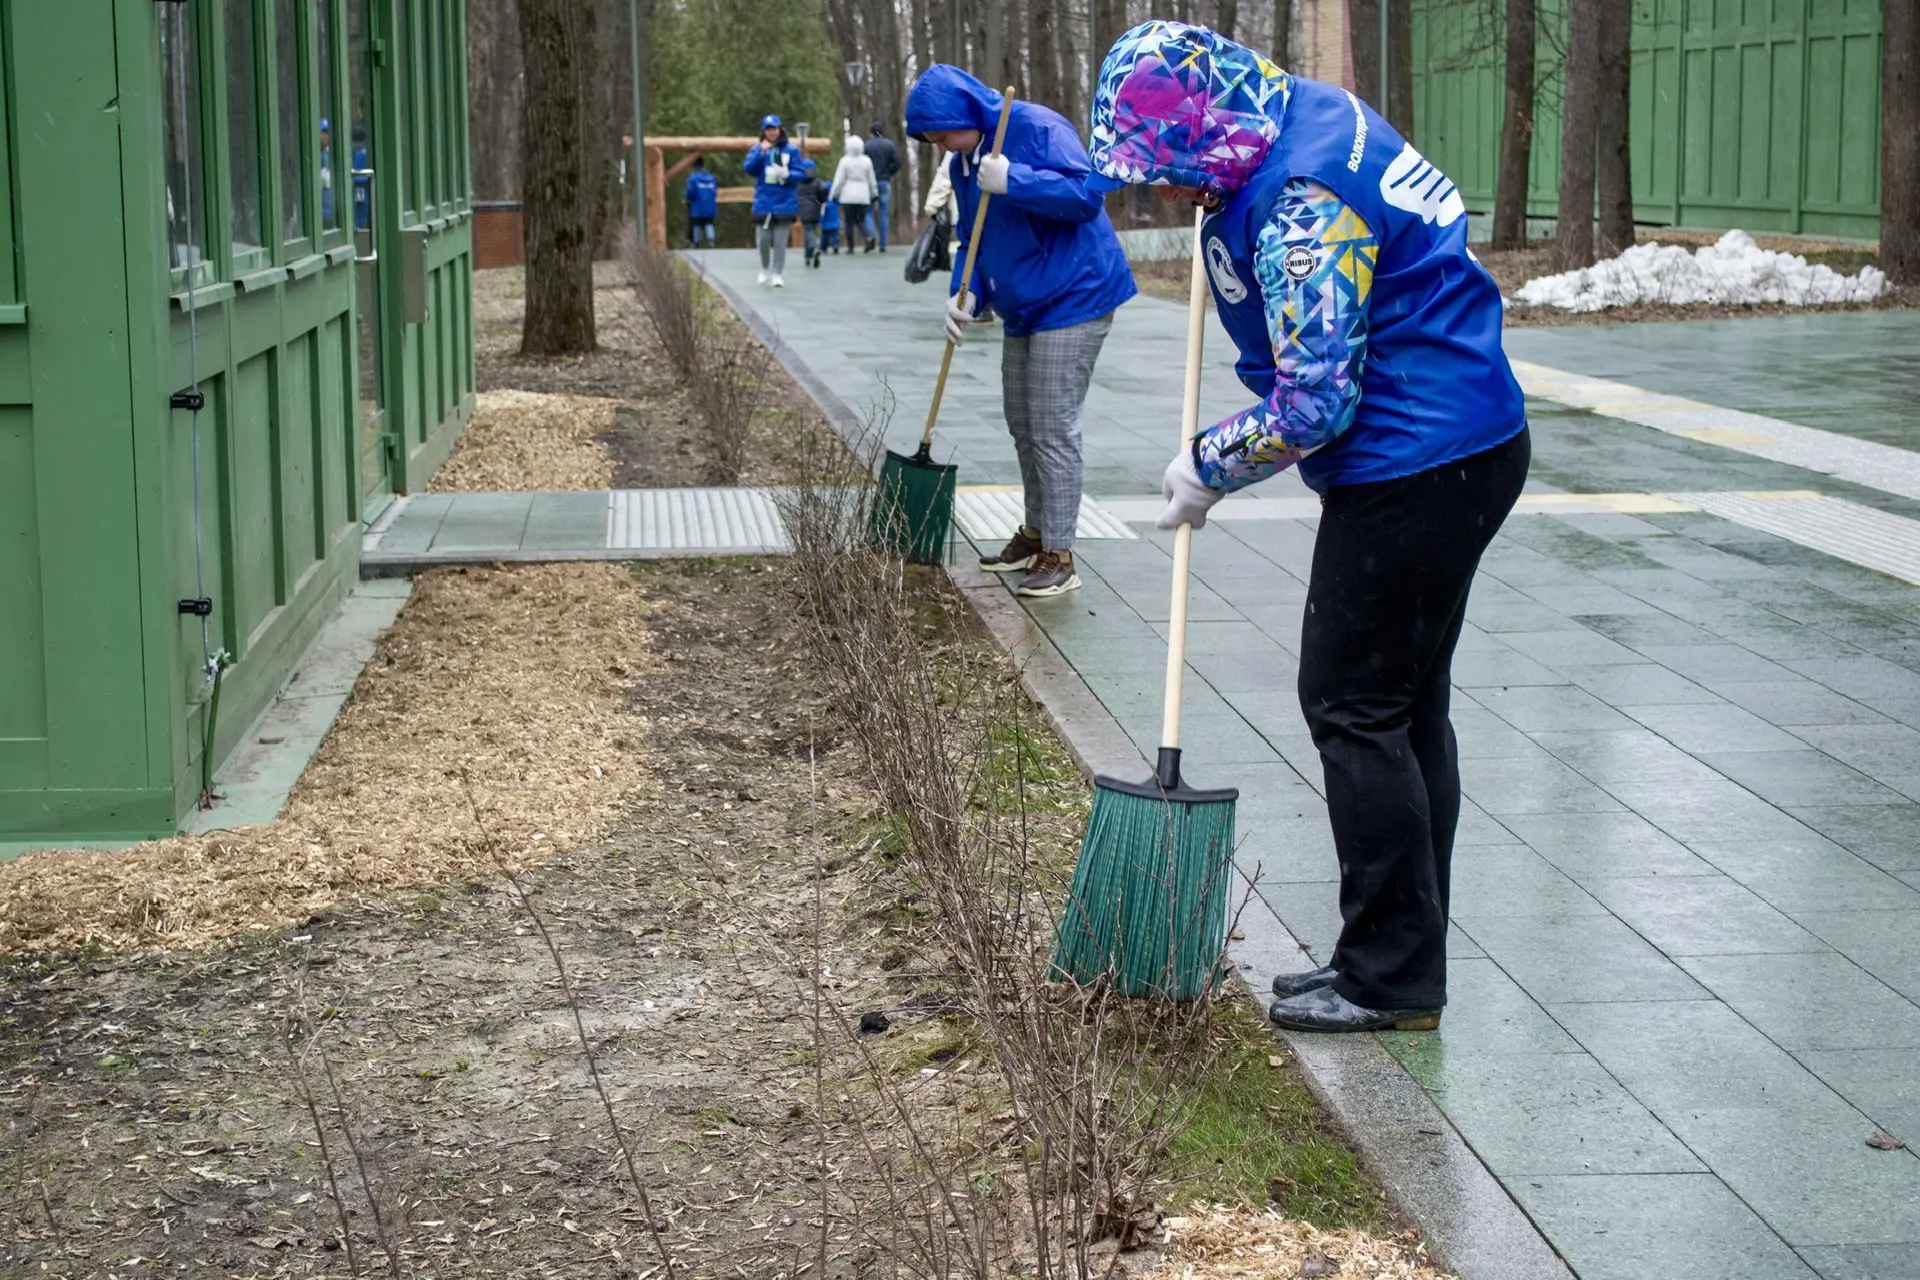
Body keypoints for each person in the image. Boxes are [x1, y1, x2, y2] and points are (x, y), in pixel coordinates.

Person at [1088, 21, 1531, 1033]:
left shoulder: (1301, 204)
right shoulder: (1302, 113)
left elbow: (1317, 402)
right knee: (1404, 710)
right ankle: (1397, 953)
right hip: (1466, 437)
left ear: (1206, 131)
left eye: (1173, 171)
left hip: (1418, 460)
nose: (1170, 193)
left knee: (1352, 705)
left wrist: (1208, 466)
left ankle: (1388, 977)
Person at [905, 64, 1136, 598]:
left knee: (1052, 425)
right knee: (1022, 420)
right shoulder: (963, 162)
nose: (941, 147)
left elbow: (1086, 195)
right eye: (932, 140)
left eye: (942, 134)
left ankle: (1060, 554)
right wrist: (966, 292)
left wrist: (1016, 179)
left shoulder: (1036, 127)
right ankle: (1035, 533)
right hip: (1024, 303)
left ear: (964, 115)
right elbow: (972, 236)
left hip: (1075, 293)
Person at [742, 114, 810, 286]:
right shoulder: (758, 148)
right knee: (763, 240)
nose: (771, 133)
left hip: (784, 201)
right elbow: (749, 168)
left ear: (780, 129)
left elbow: (801, 173)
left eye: (774, 129)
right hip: (764, 201)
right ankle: (765, 268)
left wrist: (787, 175)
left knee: (780, 242)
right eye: (768, 129)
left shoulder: (792, 150)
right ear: (764, 131)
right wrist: (761, 153)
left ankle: (777, 273)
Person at [829, 135, 877, 255]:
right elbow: (872, 179)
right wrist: (874, 193)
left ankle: (851, 247)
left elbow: (839, 180)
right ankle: (868, 237)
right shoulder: (867, 161)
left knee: (849, 222)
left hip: (848, 196)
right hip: (863, 196)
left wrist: (833, 194)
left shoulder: (845, 161)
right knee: (860, 220)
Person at [865, 121, 902, 251]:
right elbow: (897, 163)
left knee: (868, 211)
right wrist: (889, 172)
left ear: (871, 133)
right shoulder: (889, 145)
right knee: (884, 213)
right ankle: (883, 243)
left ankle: (871, 237)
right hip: (884, 181)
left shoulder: (867, 146)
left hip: (870, 183)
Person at [797, 169, 829, 267]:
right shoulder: (818, 181)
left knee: (808, 230)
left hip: (803, 208)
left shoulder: (798, 181)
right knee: (811, 230)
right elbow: (824, 191)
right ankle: (808, 255)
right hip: (816, 208)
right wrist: (822, 201)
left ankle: (814, 246)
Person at [684, 156, 718, 248]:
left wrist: (688, 199)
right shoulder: (711, 178)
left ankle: (696, 242)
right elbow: (715, 192)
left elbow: (690, 192)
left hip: (697, 205)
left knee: (697, 223)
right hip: (710, 205)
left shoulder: (693, 178)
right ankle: (711, 239)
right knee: (709, 222)